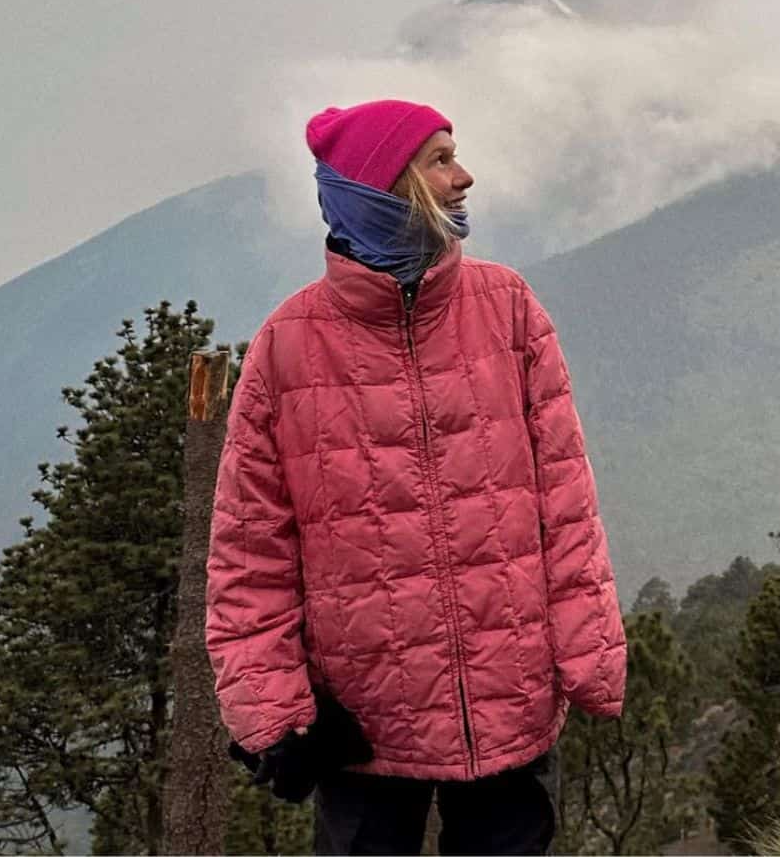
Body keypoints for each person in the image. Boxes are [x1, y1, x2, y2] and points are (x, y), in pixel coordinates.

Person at [205, 98, 627, 856]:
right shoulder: (287, 348)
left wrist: (588, 649)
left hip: (511, 701)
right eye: (438, 160)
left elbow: (566, 498)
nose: (464, 177)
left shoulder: (508, 309)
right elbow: (249, 556)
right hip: (363, 728)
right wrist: (276, 713)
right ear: (380, 187)